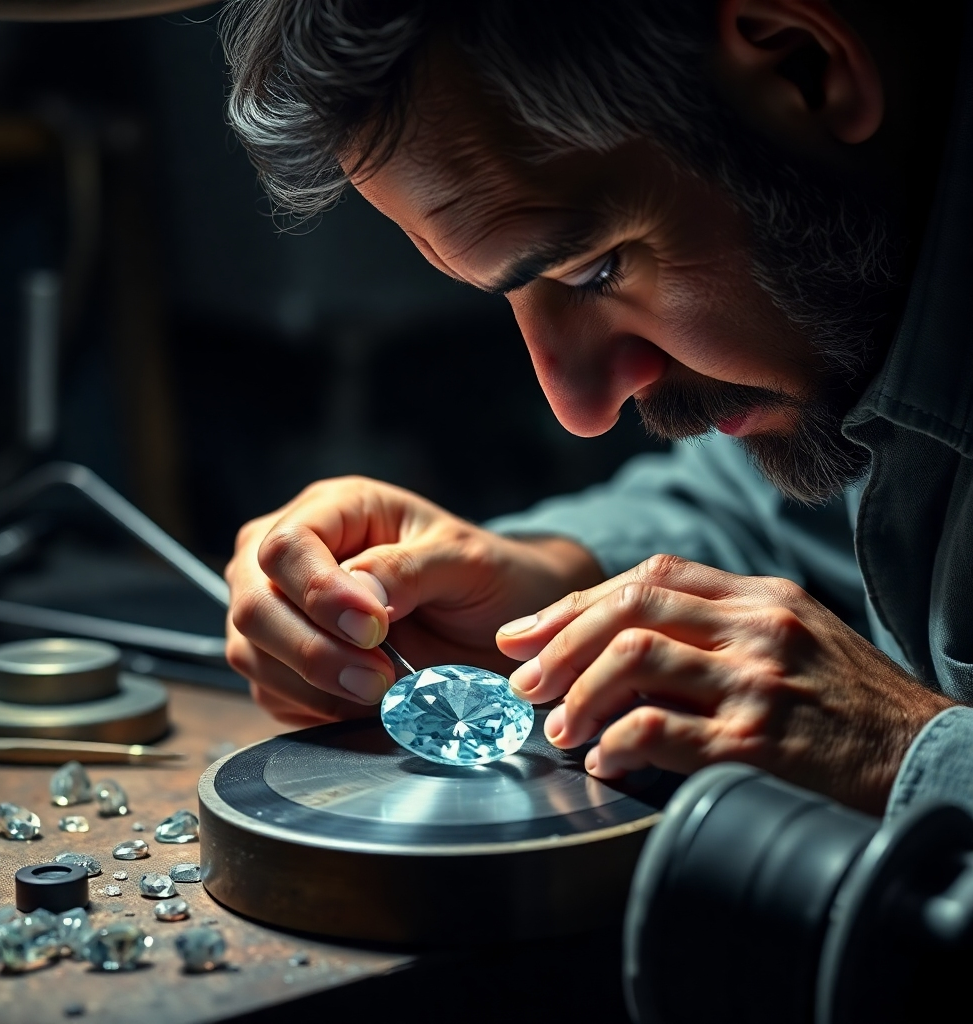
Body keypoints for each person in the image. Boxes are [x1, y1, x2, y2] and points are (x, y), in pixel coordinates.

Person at [219, 0, 973, 818]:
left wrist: (907, 748)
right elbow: (775, 511)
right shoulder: (835, 349)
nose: (578, 407)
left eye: (593, 273)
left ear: (803, 68)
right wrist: (547, 579)